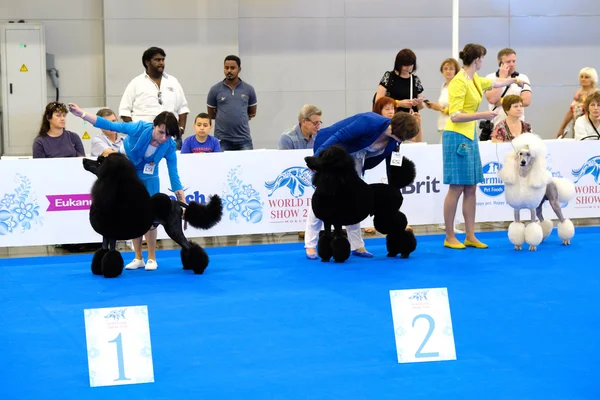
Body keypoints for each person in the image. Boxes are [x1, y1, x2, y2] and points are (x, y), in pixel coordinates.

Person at [68, 103, 185, 271]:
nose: (163, 138)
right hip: (129, 174)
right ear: (154, 126)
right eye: (161, 132)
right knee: (133, 216)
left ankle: (152, 257)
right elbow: (110, 125)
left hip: (150, 177)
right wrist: (82, 114)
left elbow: (174, 176)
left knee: (151, 218)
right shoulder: (138, 128)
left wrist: (184, 202)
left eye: (168, 135)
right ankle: (138, 257)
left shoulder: (169, 146)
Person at [304, 111, 420, 259]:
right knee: (322, 197)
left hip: (355, 158)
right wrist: (318, 157)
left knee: (354, 199)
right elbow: (339, 136)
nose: (401, 140)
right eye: (401, 137)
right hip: (331, 150)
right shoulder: (369, 121)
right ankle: (310, 245)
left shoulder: (395, 139)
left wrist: (393, 190)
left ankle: (357, 245)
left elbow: (392, 162)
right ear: (394, 127)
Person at [442, 43, 524, 250]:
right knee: (456, 187)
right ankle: (450, 235)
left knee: (471, 187)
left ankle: (470, 234)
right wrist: (483, 115)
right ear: (477, 59)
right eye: (482, 58)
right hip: (455, 135)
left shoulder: (474, 79)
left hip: (469, 136)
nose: (483, 61)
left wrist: (514, 79)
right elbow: (455, 114)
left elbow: (494, 83)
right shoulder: (459, 82)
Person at [119, 47, 190, 149]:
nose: (161, 63)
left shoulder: (173, 82)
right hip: (143, 139)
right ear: (147, 62)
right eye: (157, 60)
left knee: (172, 164)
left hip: (170, 138)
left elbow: (183, 108)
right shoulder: (136, 83)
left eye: (163, 60)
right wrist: (135, 131)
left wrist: (181, 129)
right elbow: (124, 111)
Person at [207, 55, 258, 151]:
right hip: (221, 140)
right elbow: (211, 114)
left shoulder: (249, 89)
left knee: (247, 165)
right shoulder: (215, 89)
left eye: (232, 68)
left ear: (239, 69)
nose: (229, 71)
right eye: (226, 68)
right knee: (221, 166)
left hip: (244, 139)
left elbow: (252, 113)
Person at [485, 48, 532, 128]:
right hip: (496, 125)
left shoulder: (522, 78)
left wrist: (502, 101)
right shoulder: (490, 77)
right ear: (500, 62)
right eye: (508, 62)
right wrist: (502, 77)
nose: (512, 64)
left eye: (514, 61)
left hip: (518, 125)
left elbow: (526, 101)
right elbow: (492, 99)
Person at [425, 58, 460, 142]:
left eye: (451, 69)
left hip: (453, 127)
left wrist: (441, 108)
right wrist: (433, 106)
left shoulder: (457, 86)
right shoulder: (443, 86)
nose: (448, 71)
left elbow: (458, 111)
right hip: (442, 125)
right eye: (445, 69)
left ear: (456, 71)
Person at [557, 67, 598, 138]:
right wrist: (562, 128)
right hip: (578, 127)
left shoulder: (596, 93)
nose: (583, 79)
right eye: (581, 77)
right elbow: (571, 111)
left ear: (592, 79)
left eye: (586, 77)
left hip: (592, 127)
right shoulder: (577, 93)